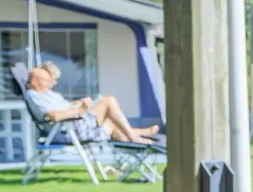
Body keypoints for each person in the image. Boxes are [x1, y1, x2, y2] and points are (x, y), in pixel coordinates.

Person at [22, 61, 158, 145]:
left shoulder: (48, 94)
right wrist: (80, 110)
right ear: (34, 81)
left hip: (74, 125)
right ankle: (134, 136)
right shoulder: (35, 96)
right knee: (109, 101)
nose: (50, 83)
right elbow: (55, 116)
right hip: (68, 130)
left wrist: (77, 103)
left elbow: (64, 107)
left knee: (111, 121)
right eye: (46, 80)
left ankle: (135, 137)